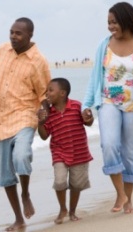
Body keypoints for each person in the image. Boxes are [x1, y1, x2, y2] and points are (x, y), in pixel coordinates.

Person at [82, 2, 133, 214]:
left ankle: (128, 199)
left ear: (126, 20)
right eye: (108, 22)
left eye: (114, 22)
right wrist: (87, 104)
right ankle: (120, 193)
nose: (110, 26)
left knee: (130, 154)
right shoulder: (104, 45)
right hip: (108, 102)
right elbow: (95, 77)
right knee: (109, 145)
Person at [0, 17, 51, 231]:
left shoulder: (39, 61)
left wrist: (45, 116)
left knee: (21, 156)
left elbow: (44, 94)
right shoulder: (1, 50)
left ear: (30, 36)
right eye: (11, 32)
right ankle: (19, 219)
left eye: (18, 33)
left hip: (24, 115)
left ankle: (26, 193)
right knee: (4, 174)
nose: (13, 36)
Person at [37, 78, 94, 224]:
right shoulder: (47, 113)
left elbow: (88, 122)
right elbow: (44, 136)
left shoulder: (76, 106)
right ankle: (63, 208)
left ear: (62, 93)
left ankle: (72, 211)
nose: (47, 93)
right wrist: (40, 122)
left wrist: (89, 117)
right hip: (59, 152)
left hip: (79, 152)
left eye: (50, 90)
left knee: (77, 185)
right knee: (60, 180)